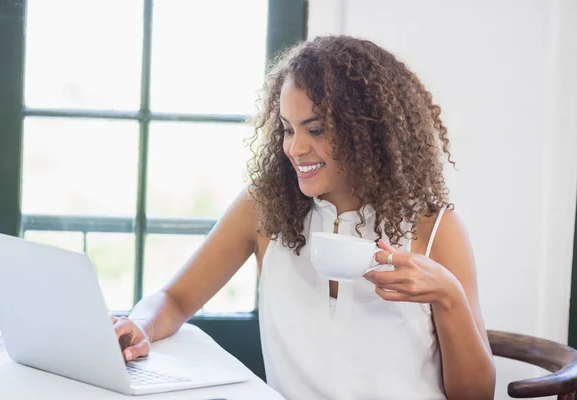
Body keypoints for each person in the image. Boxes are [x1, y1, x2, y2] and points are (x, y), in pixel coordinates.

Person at [113, 35, 496, 400]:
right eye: (287, 129)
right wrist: (140, 325)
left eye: (315, 129)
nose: (295, 148)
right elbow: (176, 298)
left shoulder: (435, 229)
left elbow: (476, 396)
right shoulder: (264, 209)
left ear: (370, 131)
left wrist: (449, 296)